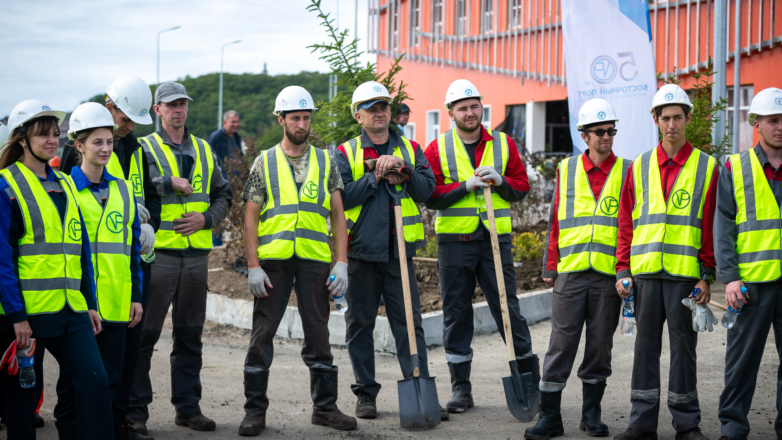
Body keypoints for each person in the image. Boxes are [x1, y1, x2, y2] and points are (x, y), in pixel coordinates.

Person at [238, 86, 357, 436]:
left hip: (315, 262)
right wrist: (253, 265)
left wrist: (342, 262)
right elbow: (250, 217)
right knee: (263, 334)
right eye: (295, 118)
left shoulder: (326, 160)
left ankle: (325, 408)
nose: (302, 124)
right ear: (281, 120)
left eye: (306, 117)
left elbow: (338, 214)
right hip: (273, 262)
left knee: (318, 334)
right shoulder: (265, 161)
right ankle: (254, 412)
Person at [423, 79, 538, 416]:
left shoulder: (503, 144)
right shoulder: (437, 148)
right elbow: (429, 196)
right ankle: (461, 389)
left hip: (494, 241)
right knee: (456, 314)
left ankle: (528, 381)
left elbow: (522, 188)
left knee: (508, 310)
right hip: (454, 243)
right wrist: (464, 186)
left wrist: (502, 181)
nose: (470, 112)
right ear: (450, 113)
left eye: (474, 106)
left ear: (481, 108)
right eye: (463, 108)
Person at [0, 99, 113, 439]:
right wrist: (16, 316)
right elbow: (2, 259)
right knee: (22, 402)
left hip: (71, 311)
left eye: (54, 133)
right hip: (29, 317)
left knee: (96, 384)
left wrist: (89, 302)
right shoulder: (6, 187)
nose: (53, 140)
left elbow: (81, 252)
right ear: (22, 139)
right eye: (43, 134)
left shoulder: (64, 184)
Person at [127, 82, 233, 435]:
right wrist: (166, 181)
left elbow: (223, 194)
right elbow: (131, 189)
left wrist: (207, 219)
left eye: (182, 104)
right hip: (159, 257)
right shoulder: (144, 148)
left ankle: (188, 408)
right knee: (144, 338)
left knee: (190, 337)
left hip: (197, 258)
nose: (178, 110)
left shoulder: (204, 148)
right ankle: (135, 411)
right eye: (171, 105)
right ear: (157, 110)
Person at [613, 84, 718, 440]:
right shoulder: (639, 166)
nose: (671, 124)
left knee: (683, 353)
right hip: (644, 276)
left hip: (684, 278)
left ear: (687, 118)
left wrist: (707, 275)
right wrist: (623, 269)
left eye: (677, 117)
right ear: (656, 121)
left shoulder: (707, 167)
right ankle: (641, 425)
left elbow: (710, 227)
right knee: (645, 351)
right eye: (665, 118)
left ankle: (687, 426)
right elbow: (625, 222)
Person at [59, 75, 160, 440]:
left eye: (110, 141)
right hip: (84, 301)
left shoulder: (127, 169)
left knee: (117, 371)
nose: (107, 148)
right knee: (78, 380)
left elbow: (135, 243)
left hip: (120, 297)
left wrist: (135, 293)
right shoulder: (69, 181)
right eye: (98, 142)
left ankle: (114, 426)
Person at [336, 81, 444, 420]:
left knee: (409, 325)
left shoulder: (410, 149)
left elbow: (428, 191)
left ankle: (419, 387)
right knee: (359, 326)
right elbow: (339, 200)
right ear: (358, 115)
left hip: (399, 255)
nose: (380, 111)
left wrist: (403, 170)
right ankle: (366, 394)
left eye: (383, 105)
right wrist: (375, 176)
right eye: (371, 107)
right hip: (359, 254)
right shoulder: (345, 153)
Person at [526, 99, 629, 440]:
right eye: (600, 131)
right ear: (584, 135)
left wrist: (626, 270)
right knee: (561, 343)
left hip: (607, 275)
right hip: (569, 273)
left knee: (600, 345)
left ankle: (591, 414)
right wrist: (549, 265)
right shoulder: (567, 170)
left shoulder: (628, 171)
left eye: (611, 130)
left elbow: (631, 224)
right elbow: (556, 220)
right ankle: (550, 417)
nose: (606, 136)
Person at [715, 87, 782, 440]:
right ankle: (733, 427)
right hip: (750, 285)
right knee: (741, 363)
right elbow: (723, 226)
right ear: (756, 123)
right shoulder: (736, 168)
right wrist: (730, 278)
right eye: (773, 120)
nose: (780, 127)